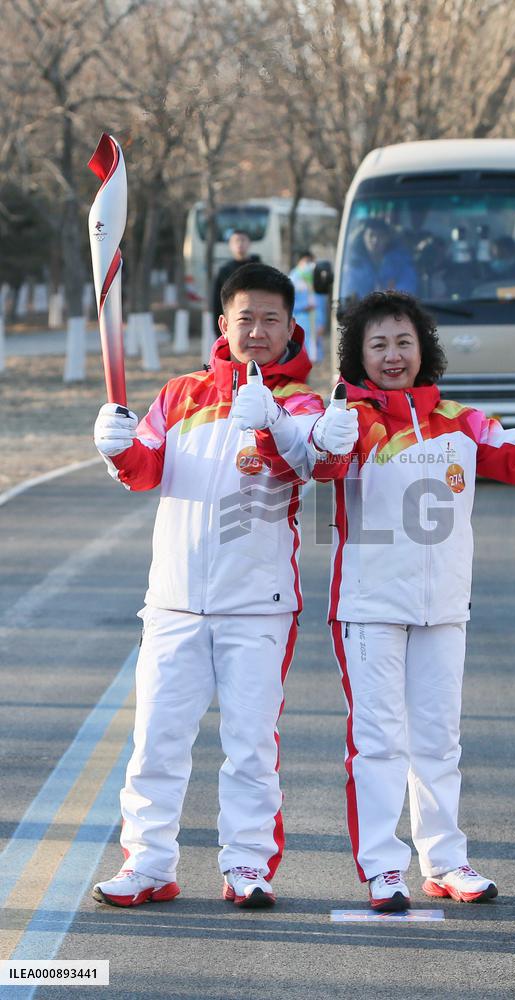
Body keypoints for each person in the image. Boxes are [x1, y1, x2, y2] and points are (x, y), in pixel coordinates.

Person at [306, 290, 515, 912]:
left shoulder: (460, 419)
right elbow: (320, 472)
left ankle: (445, 861)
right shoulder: (350, 420)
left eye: (404, 342)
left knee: (438, 741)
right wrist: (328, 436)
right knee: (378, 743)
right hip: (370, 606)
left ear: (423, 347)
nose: (393, 356)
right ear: (358, 355)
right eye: (378, 345)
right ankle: (382, 868)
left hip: (444, 605)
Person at [91, 263, 324, 909]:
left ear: (288, 327)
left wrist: (269, 421)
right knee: (156, 742)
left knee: (250, 747)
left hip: (257, 606)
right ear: (223, 324)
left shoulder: (303, 403)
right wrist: (116, 448)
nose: (256, 330)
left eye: (270, 319)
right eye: (244, 318)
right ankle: (147, 863)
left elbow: (309, 465)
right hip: (173, 601)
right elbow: (143, 471)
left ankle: (247, 865)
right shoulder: (179, 394)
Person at [341, 218, 417, 300]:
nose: (375, 240)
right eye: (371, 235)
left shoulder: (400, 262)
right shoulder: (354, 265)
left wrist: (388, 295)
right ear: (364, 237)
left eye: (380, 236)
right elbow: (351, 293)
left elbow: (409, 286)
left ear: (387, 238)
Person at [212, 230, 260, 334]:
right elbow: (217, 301)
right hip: (233, 326)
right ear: (230, 245)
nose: (240, 244)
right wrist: (218, 329)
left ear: (249, 243)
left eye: (243, 240)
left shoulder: (259, 269)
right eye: (236, 241)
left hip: (256, 325)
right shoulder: (224, 271)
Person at [289, 250, 320, 362]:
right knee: (300, 353)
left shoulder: (313, 278)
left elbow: (319, 303)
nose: (309, 265)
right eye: (307, 261)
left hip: (313, 322)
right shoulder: (293, 278)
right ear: (300, 262)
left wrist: (321, 322)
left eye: (312, 261)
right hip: (299, 320)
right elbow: (289, 303)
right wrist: (304, 306)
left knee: (312, 357)